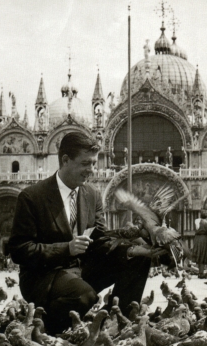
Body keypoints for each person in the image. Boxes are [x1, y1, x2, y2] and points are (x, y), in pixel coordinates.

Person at [9, 131, 156, 335]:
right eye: (86, 164)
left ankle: (116, 322)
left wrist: (131, 244)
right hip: (45, 276)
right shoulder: (32, 197)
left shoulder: (91, 194)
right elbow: (19, 250)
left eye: (94, 164)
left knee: (138, 258)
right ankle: (44, 327)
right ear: (65, 160)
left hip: (81, 270)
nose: (92, 170)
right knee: (85, 295)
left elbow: (100, 240)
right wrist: (66, 249)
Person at [191, 209, 207, 278]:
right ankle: (201, 273)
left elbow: (195, 229)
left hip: (197, 238)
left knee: (199, 254)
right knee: (203, 254)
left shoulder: (197, 221)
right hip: (203, 239)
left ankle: (200, 272)